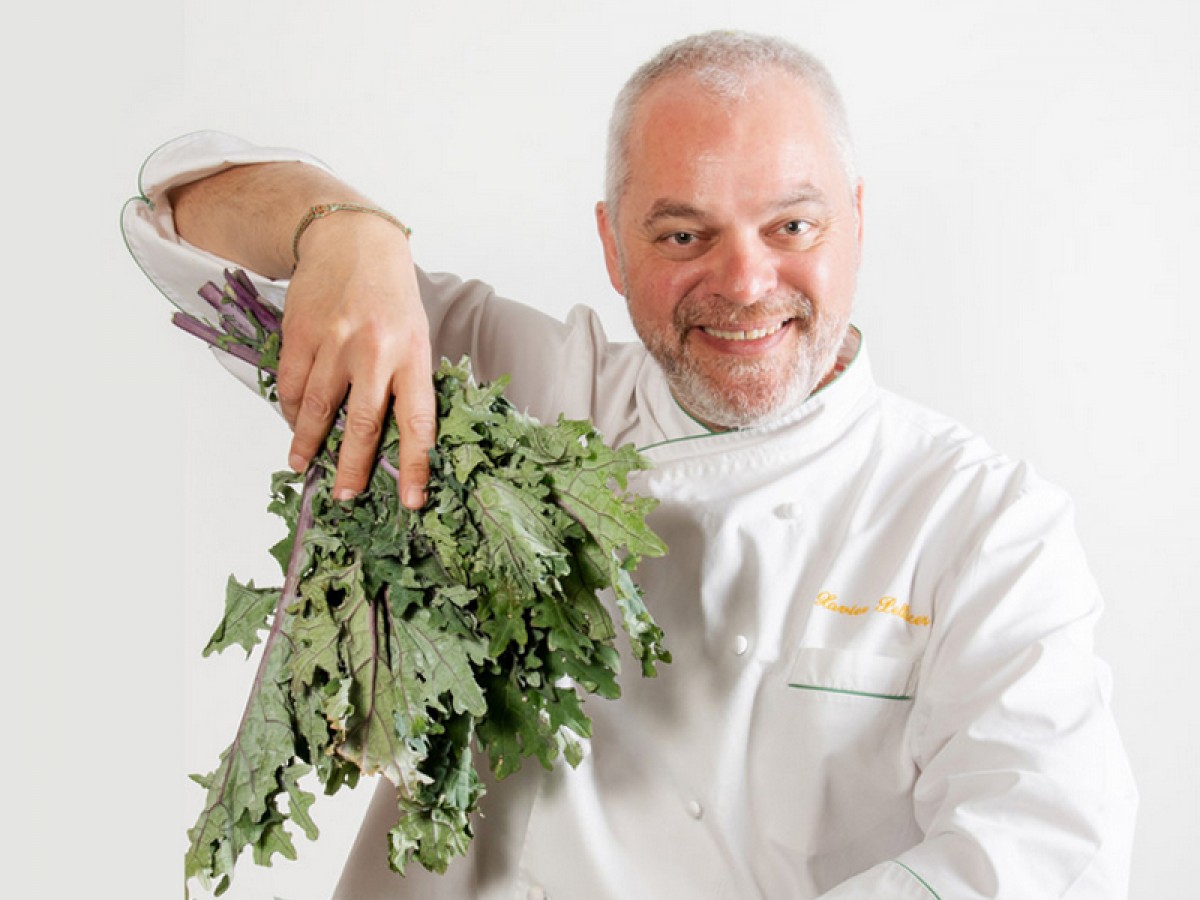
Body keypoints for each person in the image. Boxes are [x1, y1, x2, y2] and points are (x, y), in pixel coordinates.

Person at [124, 30, 1137, 900]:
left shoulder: (981, 524)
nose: (746, 282)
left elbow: (1049, 843)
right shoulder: (511, 386)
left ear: (857, 223)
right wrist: (346, 235)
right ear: (613, 247)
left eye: (792, 225)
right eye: (684, 233)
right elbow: (180, 221)